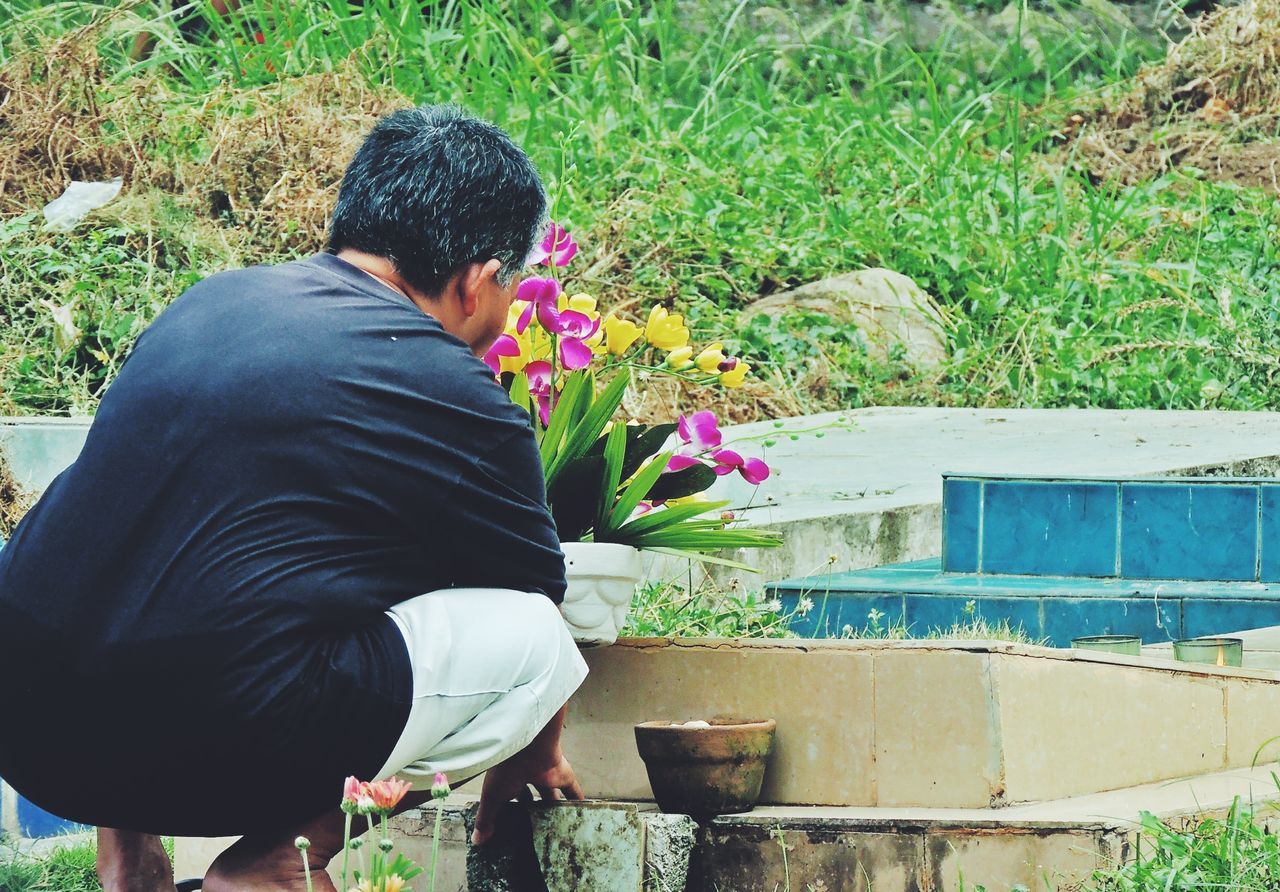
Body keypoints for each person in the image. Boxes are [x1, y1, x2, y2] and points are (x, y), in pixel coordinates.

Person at [0, 105, 587, 891]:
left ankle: (127, 859)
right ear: (477, 280)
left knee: (142, 529)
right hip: (212, 739)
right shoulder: (453, 386)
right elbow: (536, 599)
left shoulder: (209, 305)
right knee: (538, 641)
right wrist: (537, 754)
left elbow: (124, 535)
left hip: (29, 724)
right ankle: (282, 858)